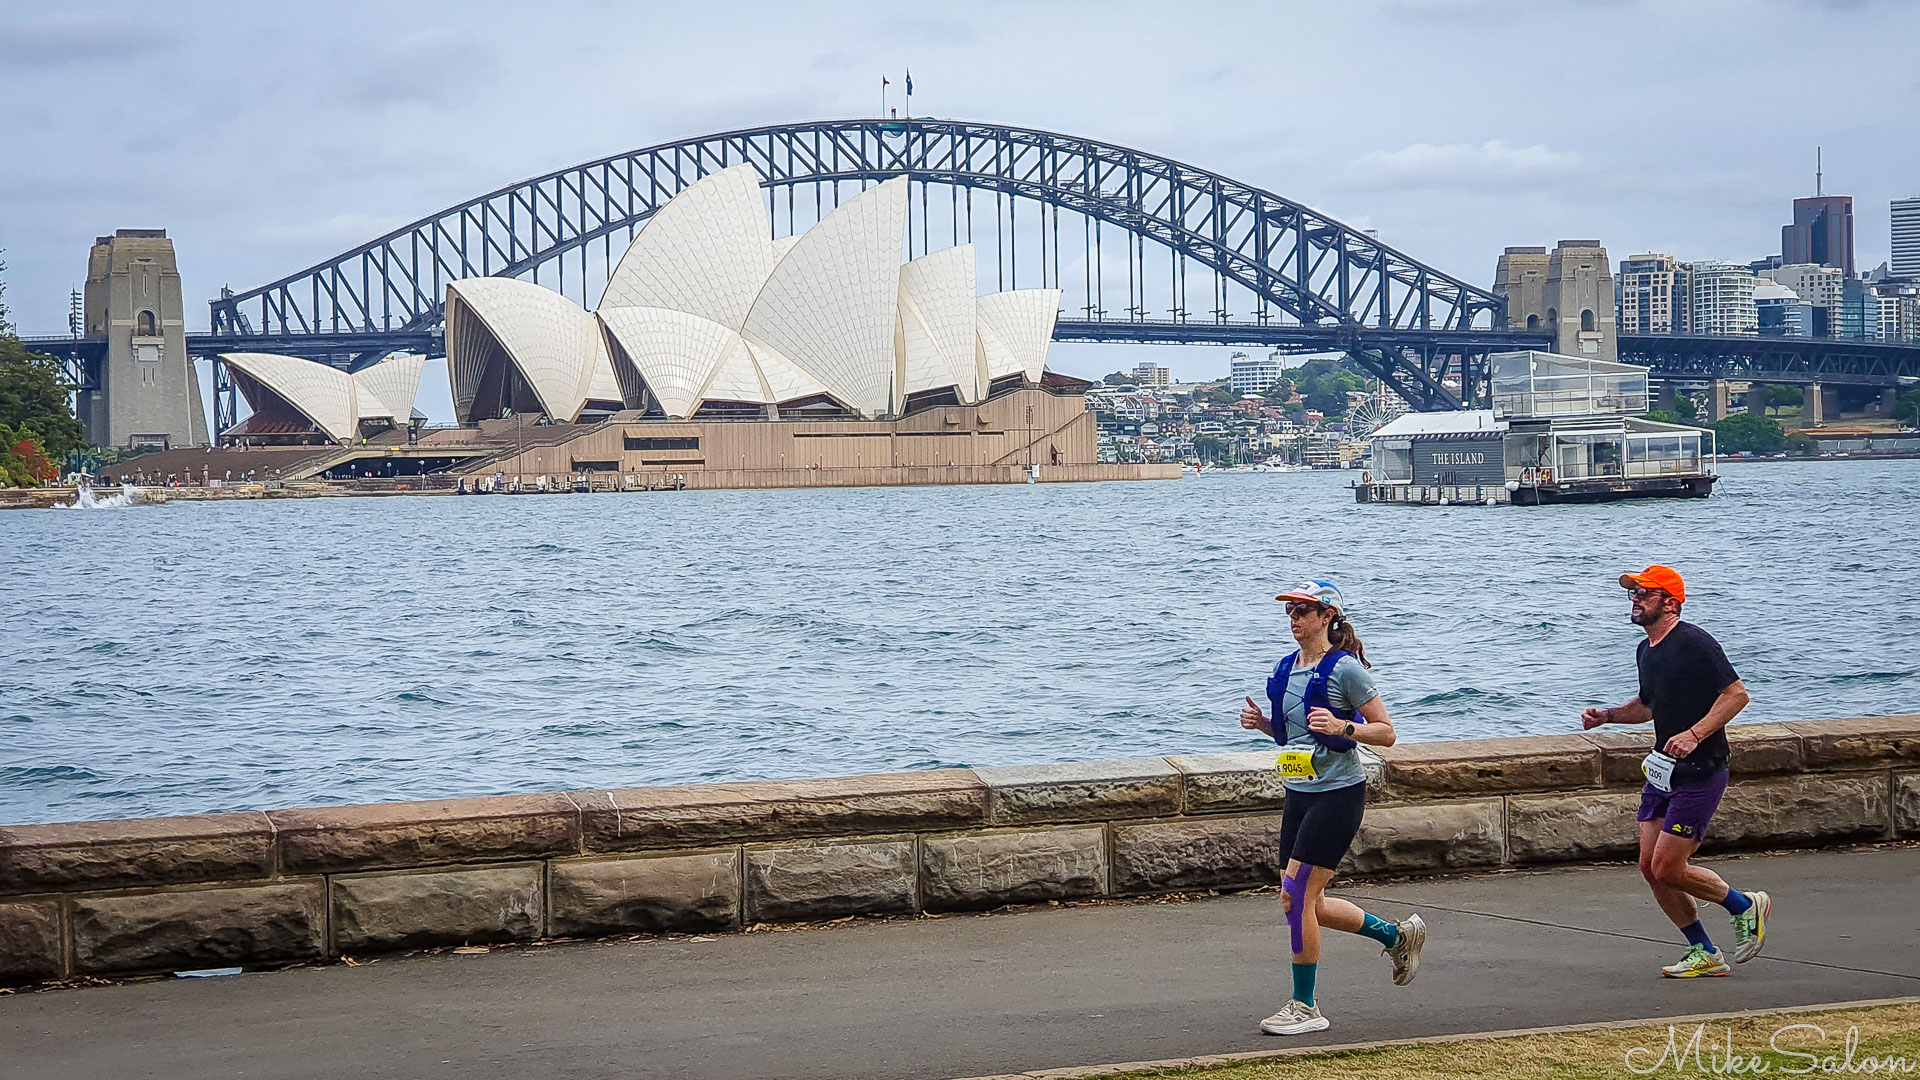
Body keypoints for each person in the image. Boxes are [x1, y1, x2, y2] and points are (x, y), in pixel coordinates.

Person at [1238, 579, 1426, 1036]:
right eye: (1291, 610)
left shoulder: (1346, 671)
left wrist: (1346, 727)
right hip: (1299, 793)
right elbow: (1293, 737)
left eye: (1304, 610)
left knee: (1297, 895)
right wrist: (1262, 724)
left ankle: (1305, 1007)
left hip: (1339, 795)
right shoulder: (1285, 669)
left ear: (1327, 617)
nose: (1295, 618)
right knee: (1304, 902)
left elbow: (1386, 732)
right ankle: (1397, 936)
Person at [1581, 565, 1770, 978]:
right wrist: (1609, 714)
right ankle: (1704, 951)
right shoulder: (1647, 650)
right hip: (1663, 771)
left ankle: (1745, 906)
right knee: (1650, 867)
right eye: (1632, 593)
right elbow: (1649, 705)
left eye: (1643, 594)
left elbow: (1736, 696)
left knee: (1669, 867)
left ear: (1670, 603)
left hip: (1702, 770)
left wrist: (1695, 734)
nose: (1634, 600)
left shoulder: (1694, 643)